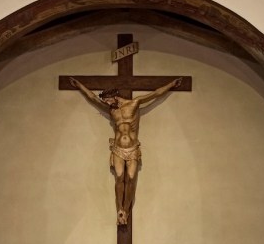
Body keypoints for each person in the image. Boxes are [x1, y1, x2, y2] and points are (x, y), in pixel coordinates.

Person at [70, 76, 181, 225]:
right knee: (119, 178)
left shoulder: (134, 103)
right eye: (106, 102)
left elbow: (155, 94)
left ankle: (126, 211)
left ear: (114, 96)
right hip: (118, 149)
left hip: (132, 148)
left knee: (130, 178)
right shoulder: (112, 110)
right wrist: (79, 85)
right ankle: (120, 210)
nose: (107, 104)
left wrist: (171, 84)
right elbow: (93, 98)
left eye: (108, 100)